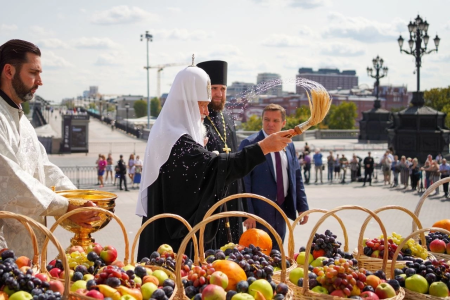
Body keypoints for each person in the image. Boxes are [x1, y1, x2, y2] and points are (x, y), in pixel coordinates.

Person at [136, 66, 295, 259]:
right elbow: (216, 167)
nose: (205, 111)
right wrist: (263, 148)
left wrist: (201, 154)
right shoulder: (176, 139)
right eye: (202, 104)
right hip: (171, 243)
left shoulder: (171, 131)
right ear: (186, 103)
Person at [0, 39, 99, 257]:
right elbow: (10, 180)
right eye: (33, 73)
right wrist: (65, 207)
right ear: (8, 71)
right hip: (5, 249)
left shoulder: (22, 119)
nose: (40, 81)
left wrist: (77, 198)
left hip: (30, 246)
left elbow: (44, 168)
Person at [239, 104, 309, 248]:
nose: (270, 124)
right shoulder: (250, 144)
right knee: (259, 256)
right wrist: (248, 213)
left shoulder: (289, 144)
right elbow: (243, 181)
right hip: (258, 212)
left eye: (275, 121)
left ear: (283, 123)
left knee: (278, 252)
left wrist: (302, 206)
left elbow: (296, 176)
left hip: (282, 209)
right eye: (266, 120)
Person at [197, 60, 245, 248]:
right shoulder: (197, 118)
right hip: (209, 196)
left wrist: (242, 205)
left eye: (223, 89)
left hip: (231, 194)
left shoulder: (228, 118)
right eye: (214, 88)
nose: (219, 94)